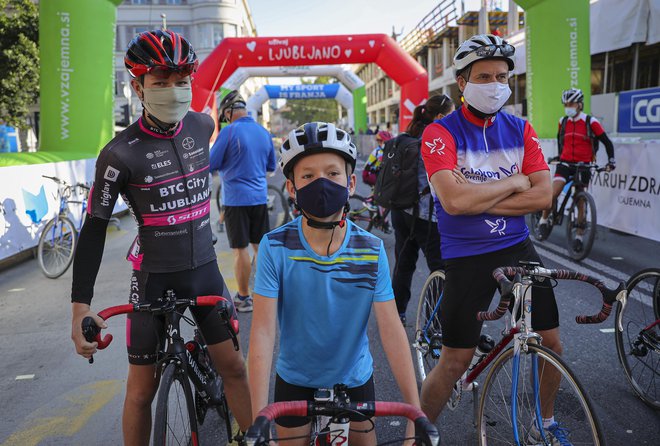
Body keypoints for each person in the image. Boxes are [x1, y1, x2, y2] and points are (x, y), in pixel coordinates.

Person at [69, 30, 252, 446]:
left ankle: (253, 439)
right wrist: (79, 308)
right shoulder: (119, 153)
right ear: (137, 87)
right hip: (154, 279)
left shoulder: (203, 125)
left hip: (205, 271)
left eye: (182, 80)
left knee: (235, 368)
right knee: (140, 392)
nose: (174, 91)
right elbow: (95, 228)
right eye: (161, 82)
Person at [419, 34, 567, 443]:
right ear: (462, 83)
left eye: (501, 76)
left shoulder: (521, 128)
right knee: (454, 361)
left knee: (551, 344)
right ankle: (419, 434)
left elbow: (541, 196)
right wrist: (513, 182)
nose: (495, 84)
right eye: (483, 76)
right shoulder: (440, 132)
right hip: (467, 253)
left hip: (517, 247)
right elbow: (451, 199)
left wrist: (478, 199)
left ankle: (545, 421)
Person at [248, 122, 420, 446]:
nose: (322, 184)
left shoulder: (371, 249)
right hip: (295, 381)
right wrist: (259, 419)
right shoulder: (275, 247)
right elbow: (262, 333)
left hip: (354, 380)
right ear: (291, 187)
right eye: (308, 176)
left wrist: (414, 410)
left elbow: (390, 328)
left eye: (332, 173)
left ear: (351, 182)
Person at [210, 90, 277, 312]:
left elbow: (211, 164)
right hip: (259, 198)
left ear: (228, 112)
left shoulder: (229, 132)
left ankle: (245, 297)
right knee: (261, 248)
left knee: (240, 250)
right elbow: (270, 167)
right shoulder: (263, 132)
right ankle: (272, 292)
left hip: (236, 200)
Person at [391, 94, 454, 324]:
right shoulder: (436, 141)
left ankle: (397, 314)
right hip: (426, 217)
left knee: (403, 264)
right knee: (440, 269)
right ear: (439, 117)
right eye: (450, 114)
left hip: (399, 211)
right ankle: (434, 323)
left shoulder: (407, 137)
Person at [537, 87, 616, 251]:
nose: (568, 106)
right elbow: (561, 141)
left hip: (583, 165)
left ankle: (579, 237)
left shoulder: (591, 122)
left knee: (581, 201)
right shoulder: (563, 121)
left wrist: (611, 161)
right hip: (565, 164)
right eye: (566, 103)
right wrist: (559, 156)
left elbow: (607, 142)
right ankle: (543, 220)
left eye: (571, 103)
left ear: (580, 104)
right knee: (553, 192)